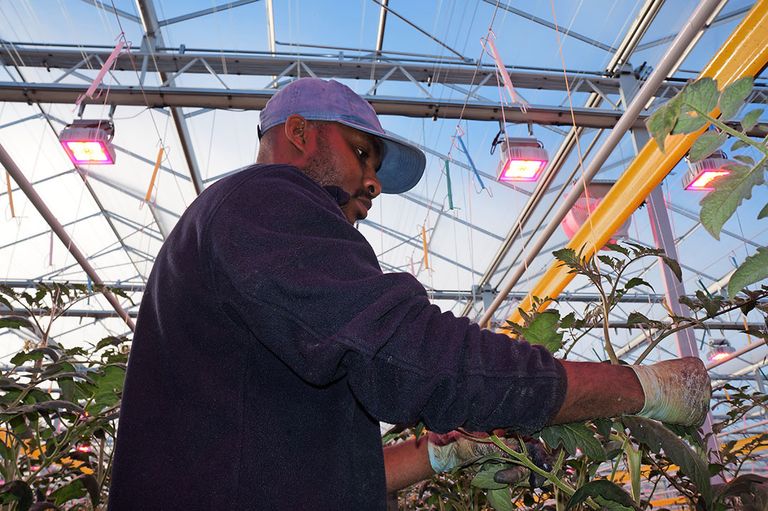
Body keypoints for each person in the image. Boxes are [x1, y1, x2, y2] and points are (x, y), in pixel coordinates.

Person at [108, 78, 711, 510]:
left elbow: (315, 474)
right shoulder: (266, 199)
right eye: (362, 154)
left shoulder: (257, 254)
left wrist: (442, 455)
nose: (372, 183)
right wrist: (640, 388)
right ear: (298, 134)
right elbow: (415, 356)